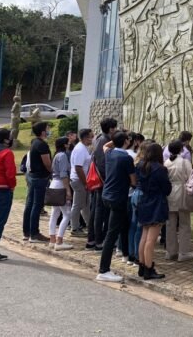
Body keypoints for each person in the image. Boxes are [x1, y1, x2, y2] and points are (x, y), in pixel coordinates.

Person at [96, 132, 136, 283]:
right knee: (111, 235)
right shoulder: (126, 158)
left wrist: (117, 139)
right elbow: (133, 181)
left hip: (107, 194)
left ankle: (107, 266)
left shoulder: (110, 153)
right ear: (126, 142)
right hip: (118, 197)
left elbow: (107, 145)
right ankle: (104, 270)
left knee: (111, 231)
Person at [136, 142, 171, 280]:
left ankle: (142, 265)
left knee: (144, 236)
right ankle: (149, 269)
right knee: (151, 239)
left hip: (144, 201)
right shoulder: (160, 169)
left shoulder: (140, 166)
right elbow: (167, 189)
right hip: (157, 203)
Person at [90, 118, 118, 251]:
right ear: (110, 129)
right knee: (100, 211)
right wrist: (107, 179)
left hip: (102, 180)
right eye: (114, 128)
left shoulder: (100, 138)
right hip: (102, 181)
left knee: (98, 210)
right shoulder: (103, 140)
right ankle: (98, 240)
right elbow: (102, 163)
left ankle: (95, 238)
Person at [164, 140, 193, 262]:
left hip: (170, 193)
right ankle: (183, 252)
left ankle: (170, 252)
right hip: (182, 192)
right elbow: (191, 177)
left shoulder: (166, 162)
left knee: (170, 224)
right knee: (184, 224)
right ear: (182, 149)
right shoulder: (184, 162)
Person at [24, 122, 52, 243]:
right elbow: (47, 163)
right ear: (42, 131)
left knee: (30, 204)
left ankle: (27, 231)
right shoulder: (42, 145)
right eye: (47, 129)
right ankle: (34, 233)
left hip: (33, 176)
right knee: (37, 205)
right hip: (40, 177)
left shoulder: (34, 142)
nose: (49, 130)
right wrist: (52, 172)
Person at [48, 137, 74, 251]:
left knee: (55, 213)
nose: (69, 145)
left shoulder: (56, 155)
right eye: (68, 143)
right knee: (67, 213)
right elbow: (64, 174)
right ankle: (59, 241)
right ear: (65, 145)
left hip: (54, 183)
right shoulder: (63, 156)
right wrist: (68, 190)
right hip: (61, 184)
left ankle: (52, 239)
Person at [70, 129, 94, 238]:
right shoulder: (80, 149)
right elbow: (78, 167)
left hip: (81, 179)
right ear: (84, 138)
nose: (92, 139)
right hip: (79, 180)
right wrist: (85, 182)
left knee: (85, 204)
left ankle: (89, 225)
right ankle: (74, 227)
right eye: (90, 137)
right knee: (78, 204)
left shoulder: (84, 148)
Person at [0, 129, 16, 261]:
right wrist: (12, 186)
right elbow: (10, 173)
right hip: (3, 190)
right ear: (5, 139)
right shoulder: (7, 153)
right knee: (0, 221)